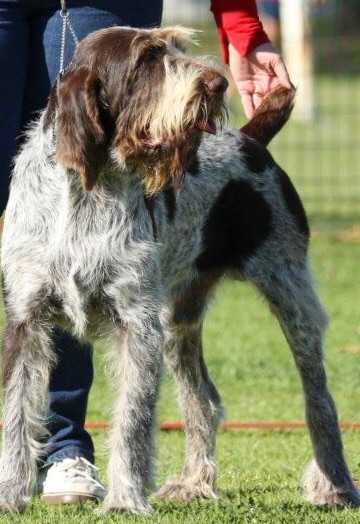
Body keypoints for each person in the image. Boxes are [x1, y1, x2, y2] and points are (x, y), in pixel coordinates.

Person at [0, 0, 291, 504]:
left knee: (116, 171)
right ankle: (13, 470)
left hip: (102, 4)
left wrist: (240, 24)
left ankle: (71, 453)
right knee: (29, 284)